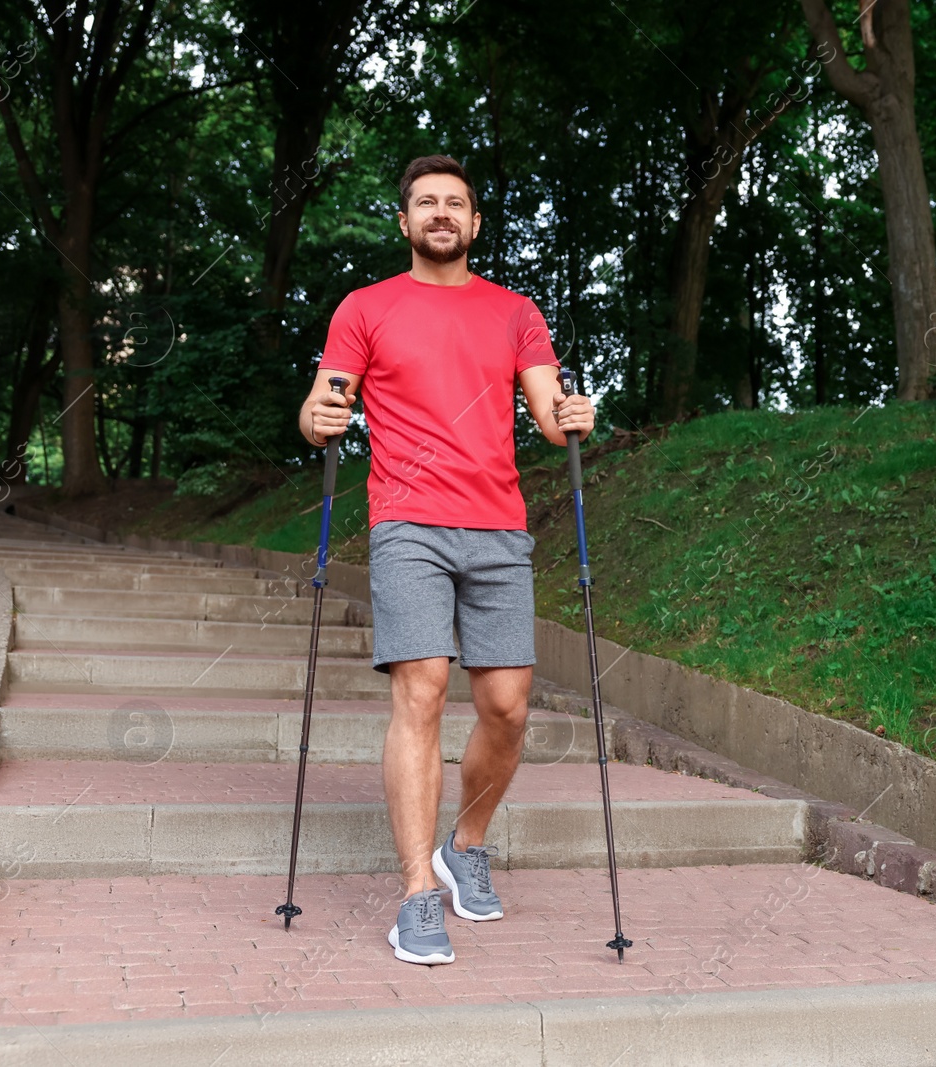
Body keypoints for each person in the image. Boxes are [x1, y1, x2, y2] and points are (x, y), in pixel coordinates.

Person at [296, 154, 594, 965]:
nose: (440, 213)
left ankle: (464, 844)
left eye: (455, 203)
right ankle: (415, 893)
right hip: (408, 524)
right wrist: (318, 416)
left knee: (508, 707)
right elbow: (321, 406)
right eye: (425, 202)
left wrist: (571, 412)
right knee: (421, 689)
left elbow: (546, 410)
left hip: (497, 526)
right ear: (403, 221)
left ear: (474, 223)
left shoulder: (514, 312)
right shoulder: (364, 308)